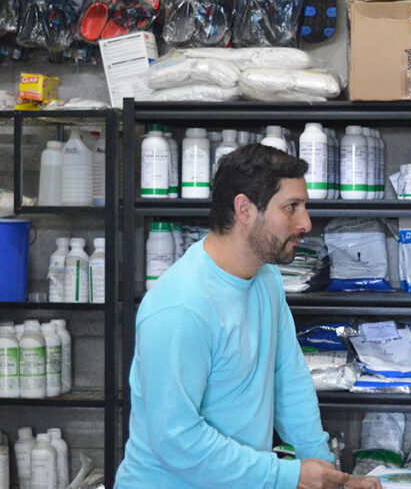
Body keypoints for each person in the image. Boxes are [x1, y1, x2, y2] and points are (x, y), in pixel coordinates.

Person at [116, 143, 381, 489]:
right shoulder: (181, 307)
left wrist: (329, 478)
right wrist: (288, 476)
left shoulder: (265, 278)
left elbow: (289, 380)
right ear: (245, 209)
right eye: (291, 208)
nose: (305, 223)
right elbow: (176, 440)